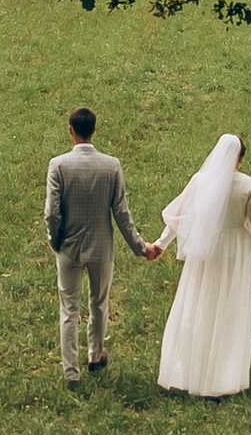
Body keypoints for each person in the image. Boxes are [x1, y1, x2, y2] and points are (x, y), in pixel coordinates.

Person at [152, 132, 251, 401]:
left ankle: (189, 370)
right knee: (230, 309)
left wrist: (160, 244)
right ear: (240, 158)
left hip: (206, 250)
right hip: (235, 251)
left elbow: (179, 217)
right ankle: (223, 376)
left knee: (198, 303)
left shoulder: (201, 181)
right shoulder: (249, 185)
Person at [43, 105, 162, 389]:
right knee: (99, 304)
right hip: (101, 247)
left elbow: (52, 212)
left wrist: (54, 239)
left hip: (69, 248)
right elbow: (121, 213)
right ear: (94, 130)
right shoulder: (112, 165)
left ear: (70, 130)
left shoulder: (58, 165)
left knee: (69, 309)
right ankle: (95, 355)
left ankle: (71, 371)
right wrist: (140, 247)